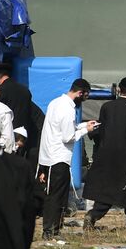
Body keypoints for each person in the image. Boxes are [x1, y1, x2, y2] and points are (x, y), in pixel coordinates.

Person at [37, 78, 99, 240]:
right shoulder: (68, 109)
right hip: (58, 157)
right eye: (85, 97)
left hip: (50, 156)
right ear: (80, 93)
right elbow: (68, 136)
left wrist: (84, 125)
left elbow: (63, 128)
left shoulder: (56, 103)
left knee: (56, 195)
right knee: (56, 196)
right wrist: (86, 130)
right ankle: (50, 231)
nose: (83, 100)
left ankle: (54, 230)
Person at [84, 78, 126, 231]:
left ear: (118, 90)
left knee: (106, 190)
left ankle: (93, 215)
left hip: (106, 153)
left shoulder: (107, 106)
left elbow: (101, 129)